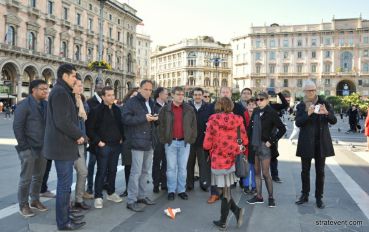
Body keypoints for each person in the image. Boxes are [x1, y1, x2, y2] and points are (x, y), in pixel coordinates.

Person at [43, 64, 86, 230]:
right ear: (65, 76)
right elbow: (63, 122)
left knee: (65, 185)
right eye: (74, 76)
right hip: (62, 146)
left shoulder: (62, 91)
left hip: (64, 145)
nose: (76, 79)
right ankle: (63, 221)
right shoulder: (60, 92)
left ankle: (66, 216)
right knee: (64, 186)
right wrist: (79, 135)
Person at [203, 97, 247, 229]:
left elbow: (206, 144)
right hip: (232, 160)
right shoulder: (238, 120)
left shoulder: (213, 120)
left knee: (224, 191)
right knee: (225, 190)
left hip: (218, 161)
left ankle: (223, 221)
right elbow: (244, 141)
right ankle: (237, 211)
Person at [295, 80, 337, 209]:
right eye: (308, 90)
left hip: (321, 143)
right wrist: (308, 114)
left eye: (313, 90)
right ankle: (305, 195)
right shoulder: (301, 105)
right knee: (305, 171)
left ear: (316, 90)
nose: (311, 92)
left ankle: (319, 197)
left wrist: (326, 113)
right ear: (304, 92)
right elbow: (298, 123)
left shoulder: (324, 103)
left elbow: (334, 120)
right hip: (306, 142)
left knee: (320, 172)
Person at [13, 80, 49, 217]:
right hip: (28, 148)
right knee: (26, 178)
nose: (46, 91)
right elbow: (17, 127)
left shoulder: (46, 105)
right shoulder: (24, 105)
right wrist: (24, 148)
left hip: (43, 148)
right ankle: (23, 205)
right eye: (42, 89)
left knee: (38, 177)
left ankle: (35, 200)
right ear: (33, 90)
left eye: (47, 89)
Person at [122, 80, 158, 212]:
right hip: (136, 142)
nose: (148, 92)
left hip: (149, 141)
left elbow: (151, 119)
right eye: (146, 89)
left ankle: (141, 196)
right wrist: (144, 118)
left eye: (150, 90)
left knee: (145, 172)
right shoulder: (131, 102)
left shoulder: (151, 102)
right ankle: (131, 200)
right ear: (140, 89)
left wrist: (155, 118)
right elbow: (125, 119)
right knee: (135, 172)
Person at [207, 86, 246, 204]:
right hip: (231, 153)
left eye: (227, 92)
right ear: (219, 93)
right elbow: (243, 137)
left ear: (231, 94)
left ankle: (228, 205)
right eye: (223, 92)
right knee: (227, 181)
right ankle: (219, 195)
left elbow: (207, 142)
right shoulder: (211, 108)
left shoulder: (239, 108)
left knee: (218, 176)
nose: (225, 94)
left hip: (218, 154)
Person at [87, 86, 124, 209]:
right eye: (109, 95)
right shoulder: (96, 110)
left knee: (112, 170)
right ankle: (98, 196)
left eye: (113, 94)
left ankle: (111, 193)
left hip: (116, 145)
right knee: (101, 171)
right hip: (103, 146)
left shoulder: (117, 110)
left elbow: (121, 125)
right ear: (103, 97)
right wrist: (98, 142)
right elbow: (90, 129)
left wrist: (121, 137)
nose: (112, 97)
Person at [247, 92, 286, 207]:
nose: (258, 101)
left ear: (267, 100)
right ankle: (259, 196)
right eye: (257, 100)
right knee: (257, 173)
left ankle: (271, 198)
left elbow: (282, 129)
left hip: (265, 147)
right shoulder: (255, 111)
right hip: (254, 145)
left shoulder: (272, 112)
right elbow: (250, 128)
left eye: (261, 99)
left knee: (265, 173)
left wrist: (272, 141)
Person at [159, 86, 197, 201]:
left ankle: (181, 190)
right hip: (170, 143)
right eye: (178, 94)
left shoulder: (189, 109)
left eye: (182, 94)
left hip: (184, 143)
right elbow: (161, 126)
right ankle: (171, 190)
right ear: (173, 95)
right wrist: (164, 139)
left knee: (182, 168)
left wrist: (191, 139)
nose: (181, 96)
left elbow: (193, 126)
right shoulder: (165, 109)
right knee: (171, 168)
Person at [71, 77, 91, 210]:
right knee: (82, 171)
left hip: (81, 142)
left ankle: (78, 199)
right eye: (78, 86)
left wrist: (80, 99)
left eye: (82, 86)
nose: (81, 88)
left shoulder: (81, 100)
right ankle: (74, 201)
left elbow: (85, 116)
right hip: (71, 143)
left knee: (82, 172)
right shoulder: (68, 101)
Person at [187, 87, 211, 192]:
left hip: (203, 141)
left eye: (199, 95)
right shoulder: (187, 107)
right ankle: (189, 184)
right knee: (189, 163)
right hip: (190, 141)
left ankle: (204, 184)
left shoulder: (208, 107)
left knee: (203, 164)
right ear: (192, 96)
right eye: (195, 94)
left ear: (202, 96)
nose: (197, 96)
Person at [119, 87, 139, 197]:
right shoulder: (123, 108)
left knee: (138, 167)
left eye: (137, 97)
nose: (134, 99)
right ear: (128, 96)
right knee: (128, 166)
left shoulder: (142, 109)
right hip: (127, 140)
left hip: (139, 141)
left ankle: (136, 190)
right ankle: (128, 189)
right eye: (133, 96)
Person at [85, 82, 104, 195]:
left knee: (104, 164)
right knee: (92, 164)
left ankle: (101, 185)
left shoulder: (106, 101)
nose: (101, 89)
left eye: (102, 87)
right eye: (99, 87)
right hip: (94, 139)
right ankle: (90, 187)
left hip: (105, 138)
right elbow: (87, 120)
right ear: (95, 88)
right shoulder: (90, 102)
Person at [269, 92, 289, 183]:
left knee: (273, 156)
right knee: (260, 157)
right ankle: (262, 174)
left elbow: (285, 104)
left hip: (273, 135)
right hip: (261, 136)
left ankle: (275, 175)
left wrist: (279, 94)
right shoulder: (259, 105)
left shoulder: (274, 106)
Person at [152, 87, 169, 193]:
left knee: (166, 162)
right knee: (156, 161)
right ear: (160, 94)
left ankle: (164, 183)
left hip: (167, 138)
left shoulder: (168, 107)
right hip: (157, 138)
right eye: (166, 94)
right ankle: (155, 183)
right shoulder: (152, 106)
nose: (167, 96)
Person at [243, 98, 257, 195]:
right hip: (245, 144)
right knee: (246, 166)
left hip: (255, 145)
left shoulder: (259, 116)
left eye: (253, 104)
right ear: (246, 106)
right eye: (249, 104)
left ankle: (255, 186)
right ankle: (246, 186)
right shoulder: (243, 116)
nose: (251, 106)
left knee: (255, 167)